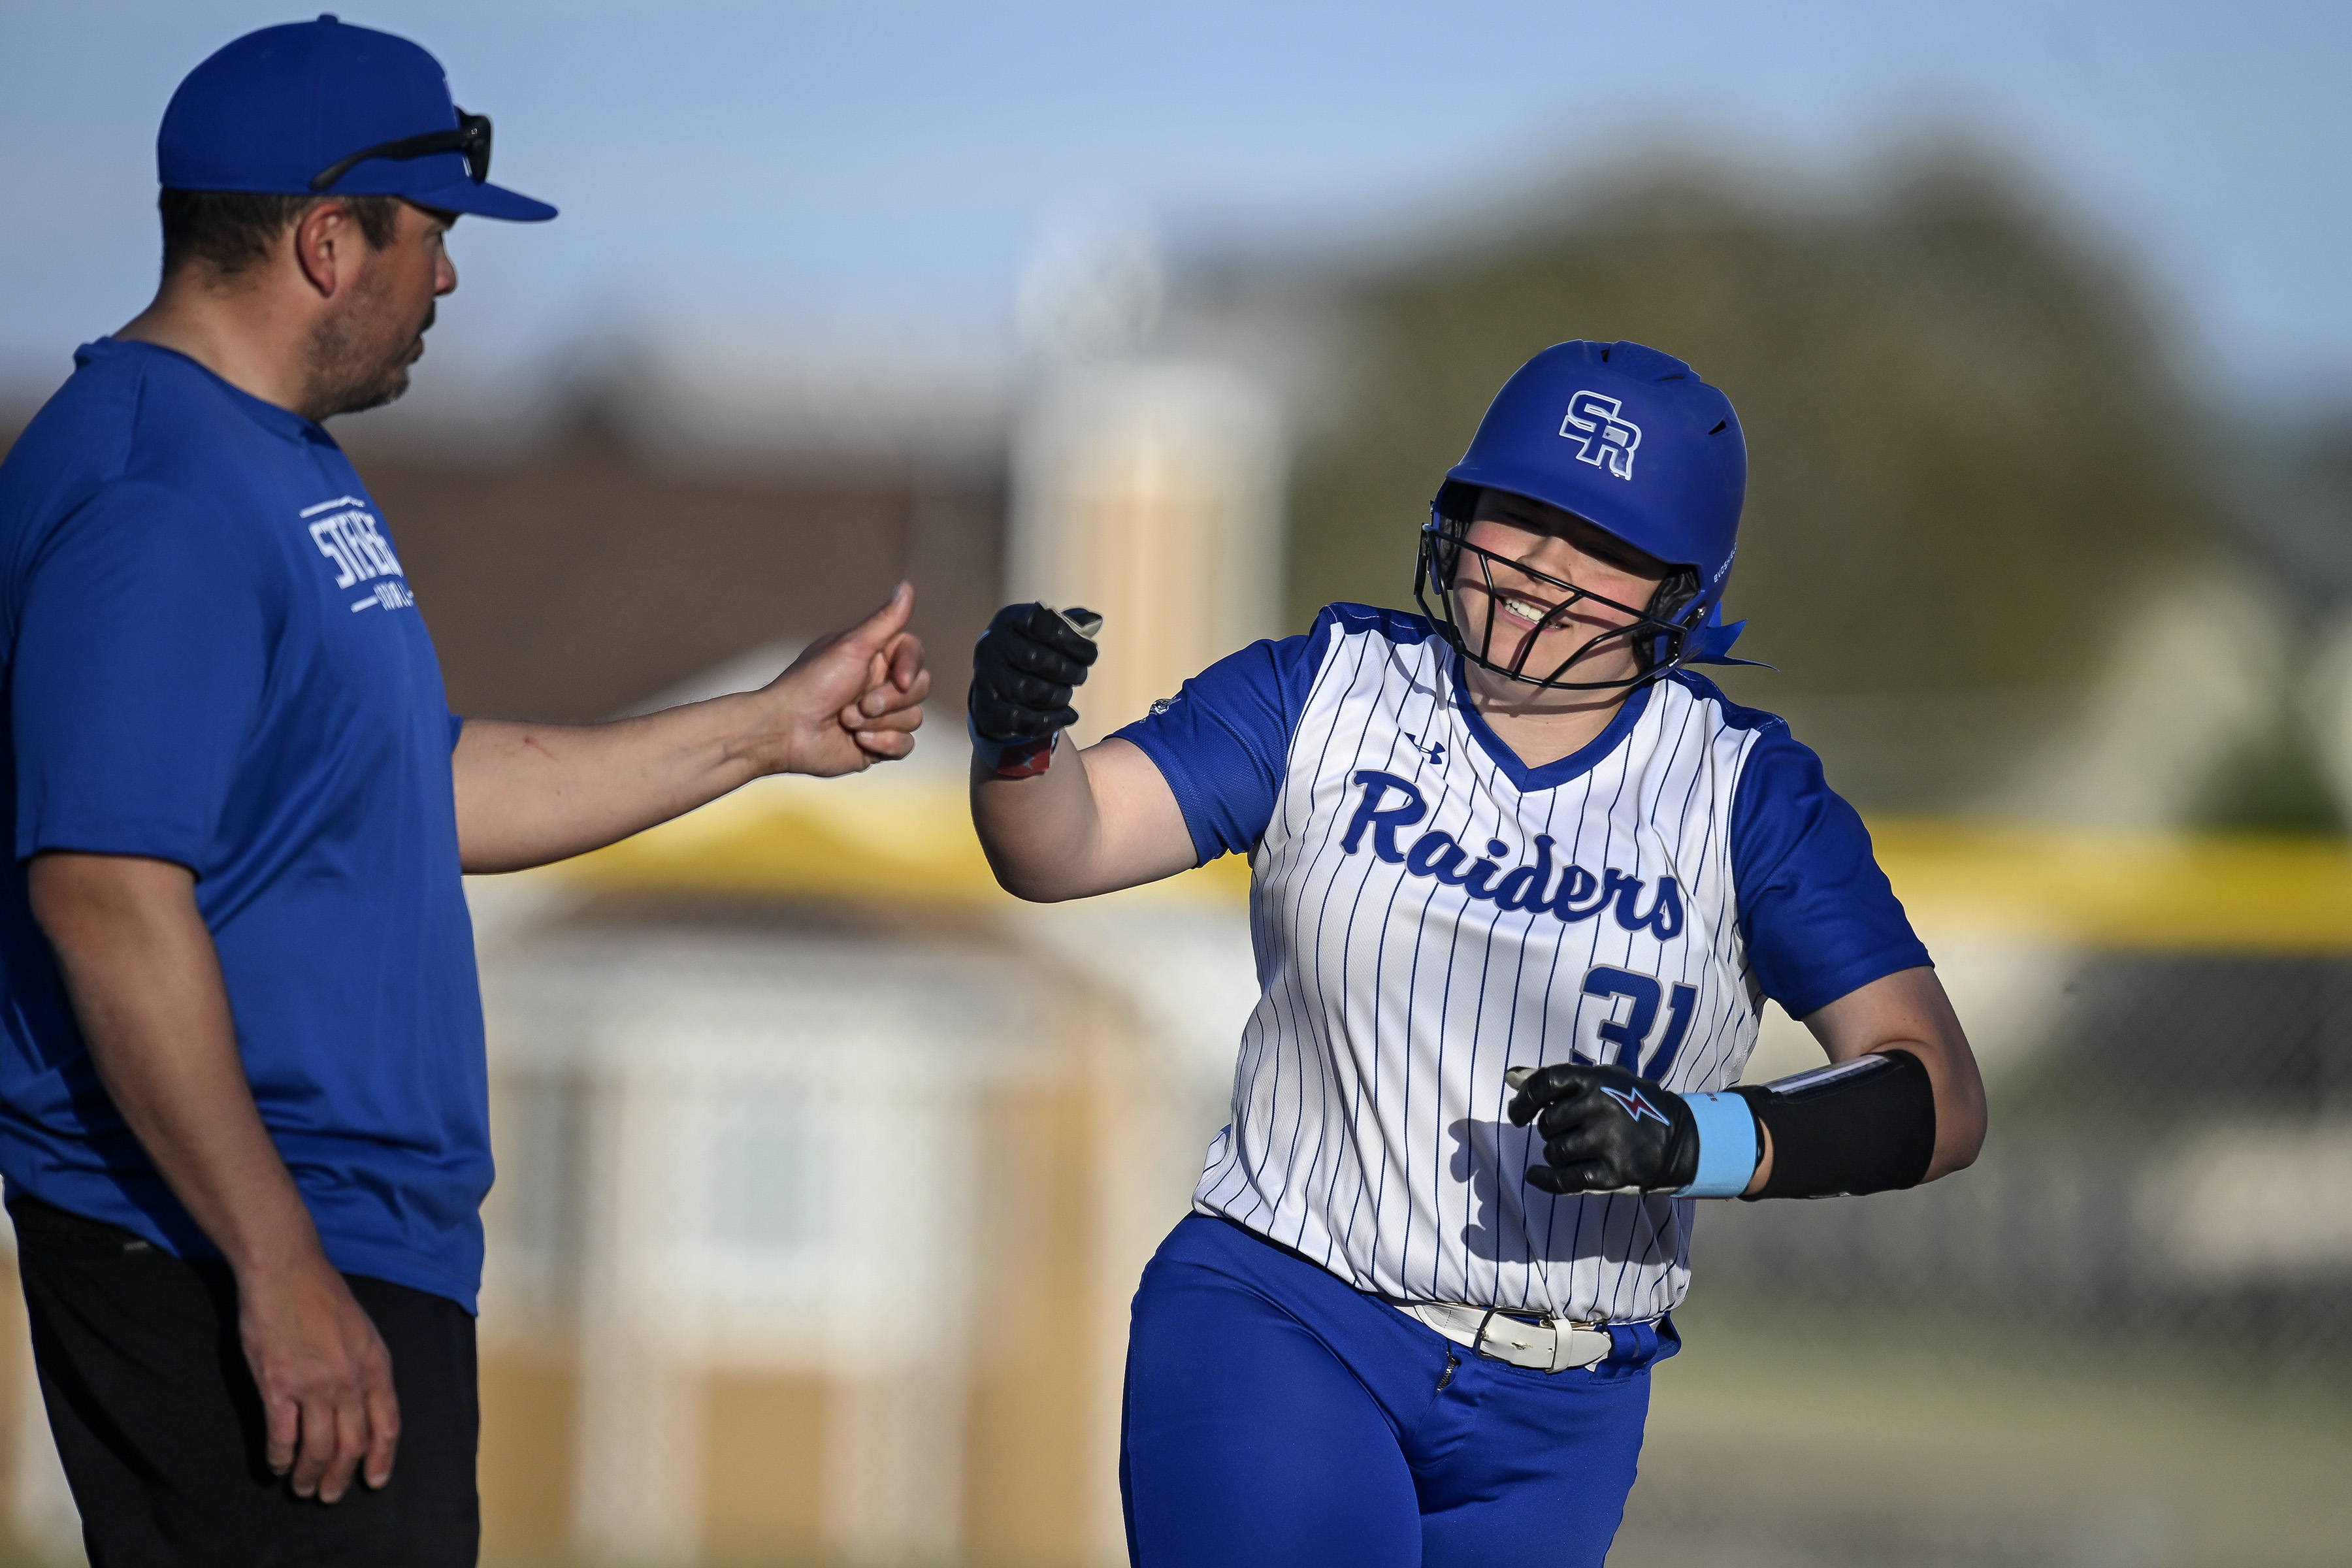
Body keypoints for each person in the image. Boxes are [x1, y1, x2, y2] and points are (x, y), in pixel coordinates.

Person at [0, 18, 930, 1567]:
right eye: (428, 238)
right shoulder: (156, 492)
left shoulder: (281, 465)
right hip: (226, 1252)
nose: (447, 279)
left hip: (341, 1245)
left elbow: (413, 789)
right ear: (325, 239)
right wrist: (279, 1266)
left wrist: (769, 734)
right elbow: (100, 893)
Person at [967, 339, 1987, 1567]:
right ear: (1459, 511)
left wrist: (1692, 1140)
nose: (1546, 565)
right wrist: (1020, 745)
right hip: (1291, 1310)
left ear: (1682, 593)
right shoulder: (1326, 693)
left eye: (1604, 544)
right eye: (1520, 513)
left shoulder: (1744, 795)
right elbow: (1063, 846)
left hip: (1567, 1405)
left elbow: (1936, 1094)